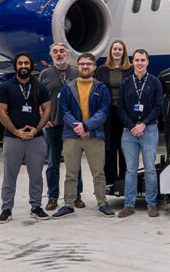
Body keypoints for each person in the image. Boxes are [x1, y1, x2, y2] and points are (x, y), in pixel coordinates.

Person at [52, 53, 114, 218]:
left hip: (94, 135)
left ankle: (102, 203)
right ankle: (68, 204)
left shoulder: (101, 88)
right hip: (72, 136)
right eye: (82, 64)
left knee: (98, 173)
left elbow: (103, 112)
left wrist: (86, 125)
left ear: (94, 67)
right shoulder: (68, 87)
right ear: (77, 67)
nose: (85, 66)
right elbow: (64, 110)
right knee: (71, 173)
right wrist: (77, 127)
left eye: (88, 64)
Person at [0, 52, 51, 224]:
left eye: (26, 63)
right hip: (13, 138)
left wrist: (37, 129)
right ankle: (6, 209)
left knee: (36, 176)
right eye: (20, 63)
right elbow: (1, 112)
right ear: (16, 66)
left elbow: (47, 110)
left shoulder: (39, 87)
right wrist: (16, 131)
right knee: (10, 175)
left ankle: (36, 206)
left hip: (35, 139)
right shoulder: (6, 87)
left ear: (31, 65)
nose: (24, 66)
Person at [117, 49, 164, 218]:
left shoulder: (154, 82)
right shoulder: (126, 83)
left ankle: (152, 203)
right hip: (129, 132)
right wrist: (131, 126)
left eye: (143, 60)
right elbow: (120, 107)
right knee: (130, 170)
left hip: (149, 130)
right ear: (132, 61)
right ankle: (129, 204)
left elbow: (159, 106)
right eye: (137, 60)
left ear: (147, 62)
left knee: (150, 169)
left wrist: (143, 124)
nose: (140, 63)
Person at [39, 42, 83, 211]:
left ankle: (76, 196)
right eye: (55, 52)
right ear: (52, 55)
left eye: (62, 51)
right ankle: (52, 197)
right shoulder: (45, 74)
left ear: (68, 54)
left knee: (74, 164)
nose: (59, 54)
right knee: (52, 163)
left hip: (72, 127)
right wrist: (43, 118)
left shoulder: (76, 73)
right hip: (53, 125)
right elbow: (39, 99)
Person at [95, 40, 133, 189]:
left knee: (124, 147)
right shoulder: (102, 70)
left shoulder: (130, 70)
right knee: (109, 147)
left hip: (124, 112)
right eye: (115, 49)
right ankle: (110, 180)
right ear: (111, 52)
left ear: (124, 52)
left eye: (120, 49)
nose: (117, 52)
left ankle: (124, 180)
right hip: (108, 113)